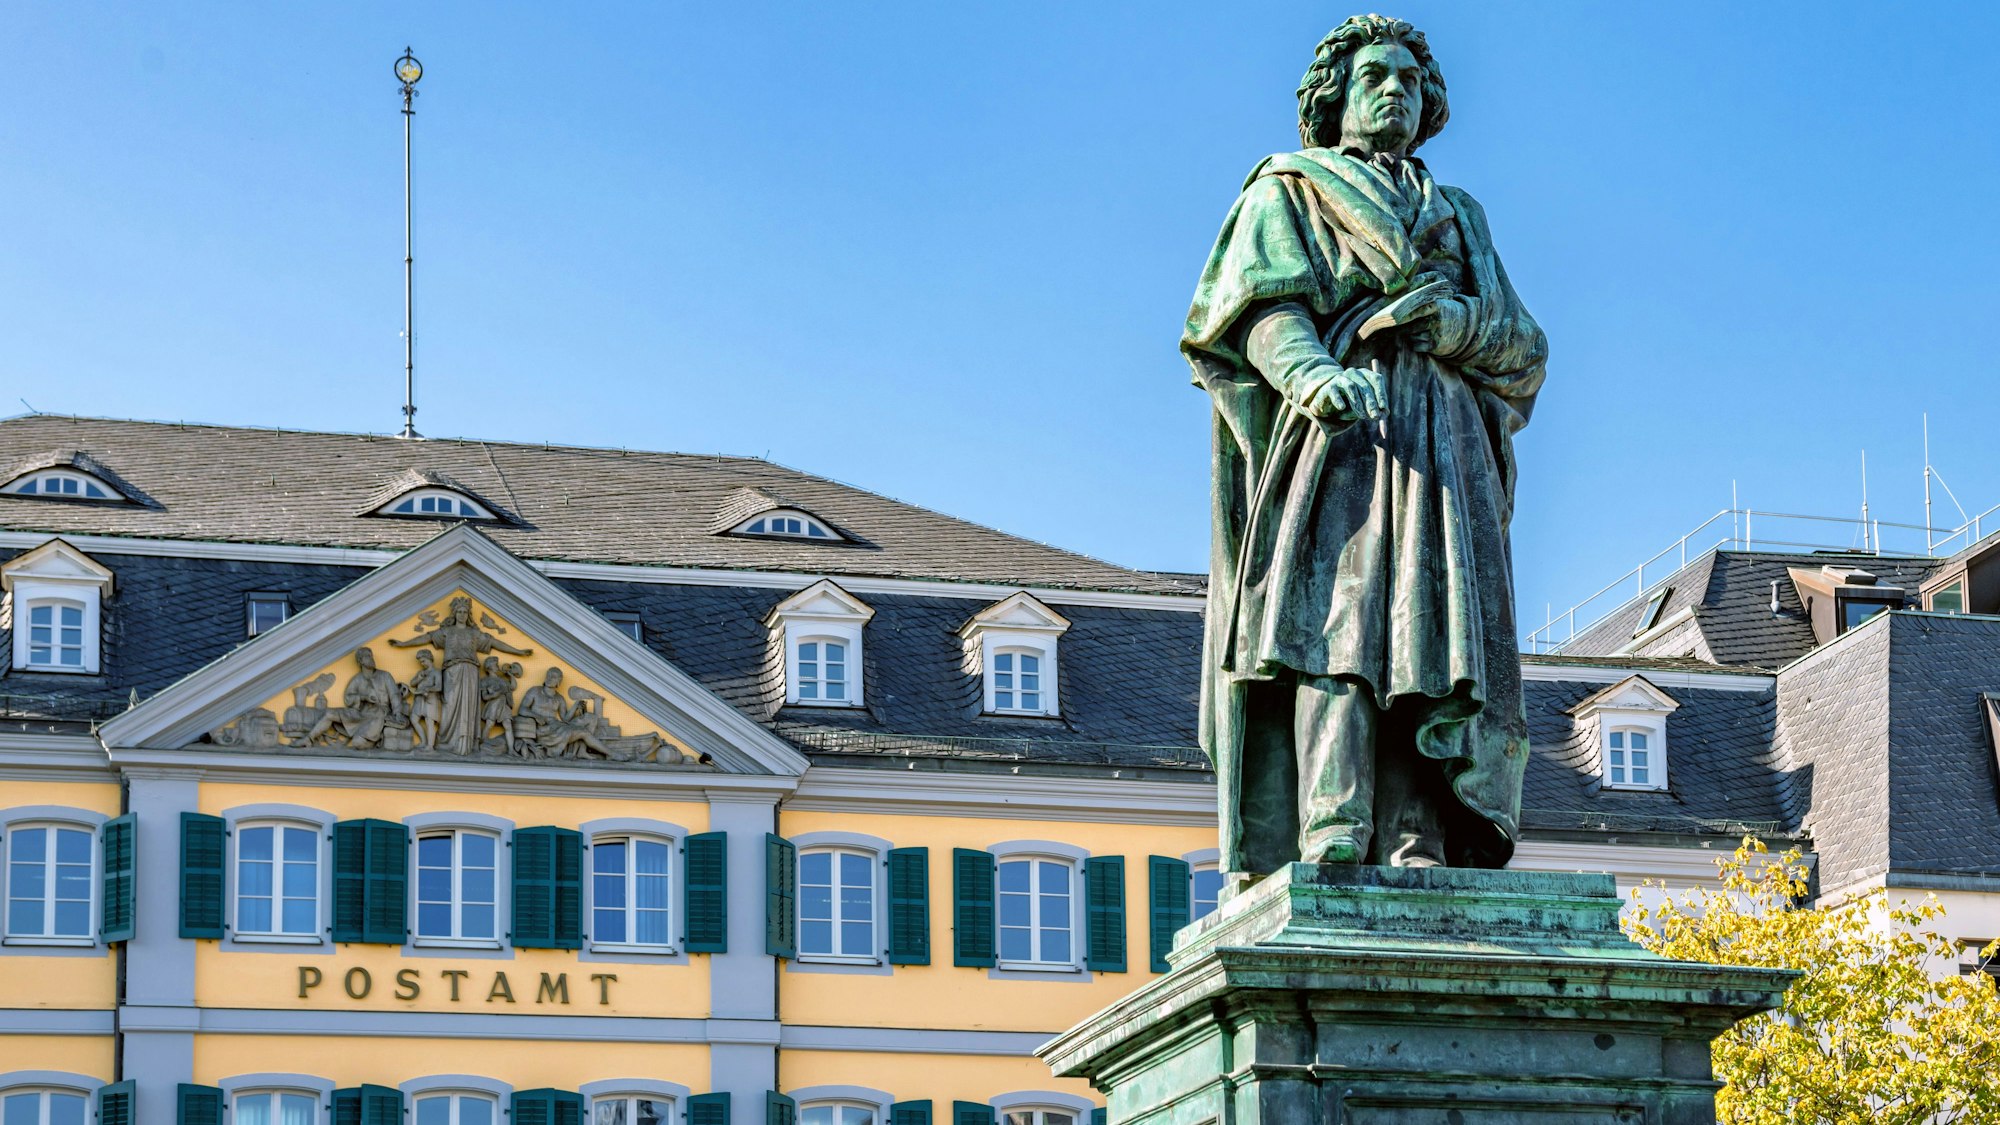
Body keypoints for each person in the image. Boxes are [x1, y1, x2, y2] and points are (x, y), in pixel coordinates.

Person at [1183, 15, 1546, 879]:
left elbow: (1523, 347)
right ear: (1335, 97)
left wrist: (1457, 322)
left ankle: (1418, 837)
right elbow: (1258, 311)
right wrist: (1311, 375)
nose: (1395, 91)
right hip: (1341, 439)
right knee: (1333, 629)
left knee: (1431, 642)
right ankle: (1331, 827)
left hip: (1445, 447)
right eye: (1375, 76)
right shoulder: (1291, 190)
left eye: (1411, 82)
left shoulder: (1459, 215)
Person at [389, 596, 532, 755]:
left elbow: (494, 642)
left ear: (468, 614)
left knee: (468, 706)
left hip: (470, 673)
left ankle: (466, 743)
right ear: (454, 614)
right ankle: (447, 742)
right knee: (449, 705)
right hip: (451, 673)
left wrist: (518, 652)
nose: (462, 614)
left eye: (465, 612)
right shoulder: (447, 632)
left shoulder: (474, 633)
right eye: (460, 611)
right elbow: (427, 637)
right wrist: (404, 644)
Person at [303, 647, 405, 749]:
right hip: (359, 713)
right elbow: (348, 698)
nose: (371, 658)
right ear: (360, 661)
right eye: (367, 656)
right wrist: (363, 697)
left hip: (377, 715)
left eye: (371, 656)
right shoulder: (357, 679)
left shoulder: (385, 676)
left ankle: (377, 739)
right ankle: (309, 738)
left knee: (357, 743)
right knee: (330, 714)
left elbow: (394, 695)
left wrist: (398, 713)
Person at [514, 668, 611, 760]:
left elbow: (565, 719)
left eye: (554, 677)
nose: (549, 678)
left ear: (559, 682)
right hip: (543, 730)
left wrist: (575, 706)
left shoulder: (559, 698)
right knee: (583, 732)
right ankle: (611, 754)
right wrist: (536, 716)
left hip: (556, 726)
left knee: (591, 718)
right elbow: (522, 709)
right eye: (549, 675)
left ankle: (582, 750)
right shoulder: (535, 691)